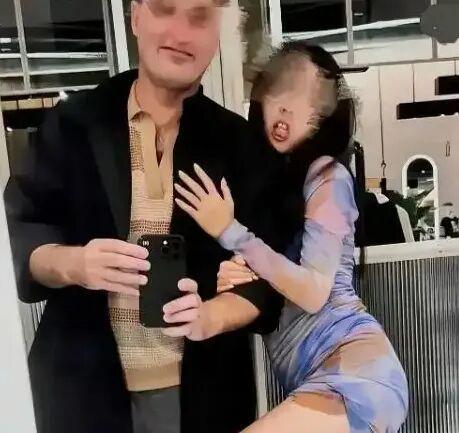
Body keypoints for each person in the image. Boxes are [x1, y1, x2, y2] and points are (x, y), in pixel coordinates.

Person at [4, 1, 284, 433]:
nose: (180, 33)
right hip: (81, 390)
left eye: (199, 17)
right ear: (136, 16)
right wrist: (75, 263)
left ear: (218, 33)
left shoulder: (239, 144)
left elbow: (270, 275)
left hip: (203, 395)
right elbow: (19, 228)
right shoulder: (73, 125)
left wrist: (211, 315)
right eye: (164, 9)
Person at [172, 43, 409, 433]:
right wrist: (241, 279)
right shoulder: (274, 187)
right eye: (282, 91)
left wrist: (230, 232)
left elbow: (313, 292)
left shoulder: (328, 176)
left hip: (356, 375)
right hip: (318, 379)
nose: (289, 112)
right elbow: (276, 281)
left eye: (311, 107)